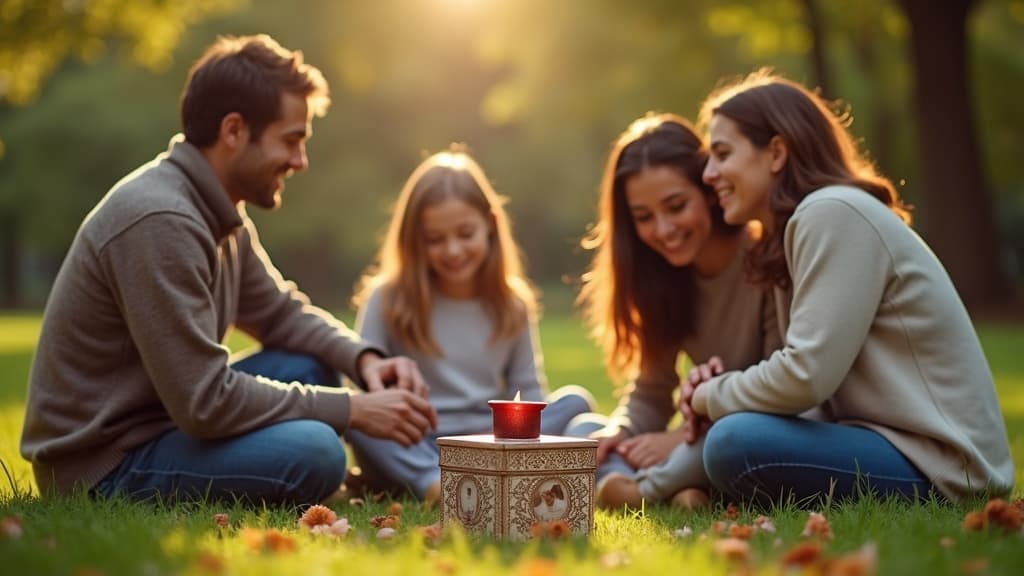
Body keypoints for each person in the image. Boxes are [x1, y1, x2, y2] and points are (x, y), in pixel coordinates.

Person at [20, 34, 437, 506]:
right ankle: (321, 475)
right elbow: (205, 401)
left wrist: (365, 360)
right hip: (106, 464)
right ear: (234, 130)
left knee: (309, 364)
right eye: (291, 140)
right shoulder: (162, 220)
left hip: (165, 423)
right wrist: (353, 409)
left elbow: (280, 315)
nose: (300, 162)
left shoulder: (219, 212)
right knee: (318, 450)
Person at [685, 69, 1014, 506]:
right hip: (882, 443)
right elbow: (806, 397)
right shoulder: (796, 231)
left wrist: (710, 395)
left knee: (735, 440)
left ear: (777, 152)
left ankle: (681, 485)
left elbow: (805, 376)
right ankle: (667, 485)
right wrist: (725, 397)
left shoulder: (832, 213)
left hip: (942, 462)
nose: (709, 174)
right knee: (737, 432)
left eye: (722, 154)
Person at [347, 145, 595, 504]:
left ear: (490, 226)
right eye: (435, 240)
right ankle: (434, 483)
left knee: (575, 402)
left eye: (465, 234)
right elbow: (367, 390)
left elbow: (530, 392)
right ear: (414, 240)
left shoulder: (512, 304)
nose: (453, 250)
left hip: (491, 442)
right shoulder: (387, 297)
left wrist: (511, 438)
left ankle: (484, 476)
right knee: (357, 417)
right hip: (417, 441)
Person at [568, 113, 781, 509]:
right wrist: (620, 431)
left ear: (709, 190)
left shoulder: (765, 258)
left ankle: (662, 483)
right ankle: (681, 487)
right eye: (644, 217)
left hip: (751, 426)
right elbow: (652, 391)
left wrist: (680, 439)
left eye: (676, 206)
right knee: (585, 430)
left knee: (730, 444)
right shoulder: (662, 276)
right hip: (698, 432)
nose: (664, 230)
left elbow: (782, 390)